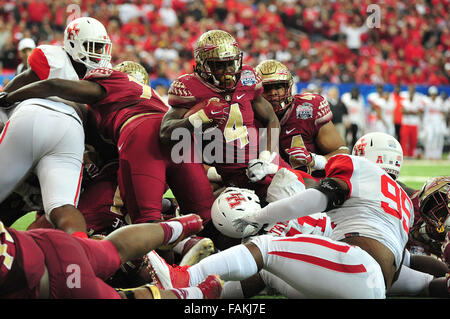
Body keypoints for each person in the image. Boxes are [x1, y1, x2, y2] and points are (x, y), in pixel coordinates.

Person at [155, 132, 416, 298]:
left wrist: (259, 216)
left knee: (265, 247)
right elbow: (408, 266)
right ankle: (194, 296)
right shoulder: (403, 202)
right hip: (376, 285)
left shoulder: (354, 166)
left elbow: (317, 197)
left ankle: (185, 277)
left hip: (357, 267)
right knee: (269, 271)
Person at [0, 61, 216, 237]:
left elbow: (56, 85)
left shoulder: (111, 88)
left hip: (139, 138)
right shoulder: (150, 97)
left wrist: (8, 96)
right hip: (173, 140)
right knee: (203, 216)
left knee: (146, 225)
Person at [159, 30, 284, 202]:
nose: (228, 71)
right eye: (219, 65)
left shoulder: (247, 78)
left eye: (231, 63)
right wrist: (201, 117)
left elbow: (271, 118)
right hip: (231, 170)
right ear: (203, 65)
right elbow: (165, 132)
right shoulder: (189, 87)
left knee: (306, 186)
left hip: (261, 163)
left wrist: (266, 157)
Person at [0, 213, 223, 299]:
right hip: (47, 241)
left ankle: (198, 295)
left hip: (62, 282)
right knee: (112, 249)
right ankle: (183, 224)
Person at [254, 60, 349, 177]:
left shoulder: (309, 107)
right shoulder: (248, 114)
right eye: (267, 88)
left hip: (310, 186)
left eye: (278, 87)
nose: (273, 93)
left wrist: (314, 160)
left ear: (288, 87)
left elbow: (343, 154)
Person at [422, 86, 447, 160]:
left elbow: (444, 111)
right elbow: (421, 110)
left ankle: (437, 154)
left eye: (434, 94)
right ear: (429, 94)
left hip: (438, 122)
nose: (433, 95)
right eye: (432, 94)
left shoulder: (440, 101)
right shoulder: (426, 101)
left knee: (439, 137)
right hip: (429, 123)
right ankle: (428, 154)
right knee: (429, 138)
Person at [400, 85, 424, 158]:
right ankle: (404, 154)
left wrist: (409, 111)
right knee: (404, 139)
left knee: (413, 140)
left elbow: (420, 112)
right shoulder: (404, 100)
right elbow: (403, 111)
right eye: (410, 90)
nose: (411, 92)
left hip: (414, 123)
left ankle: (411, 155)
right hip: (406, 123)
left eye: (413, 90)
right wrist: (413, 112)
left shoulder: (417, 101)